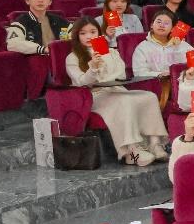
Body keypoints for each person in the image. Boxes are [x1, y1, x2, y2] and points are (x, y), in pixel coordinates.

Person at [66, 17, 167, 165]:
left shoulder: (110, 52)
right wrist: (93, 68)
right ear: (77, 35)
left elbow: (121, 75)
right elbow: (81, 82)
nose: (89, 36)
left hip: (116, 89)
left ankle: (154, 143)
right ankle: (132, 151)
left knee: (149, 96)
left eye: (93, 32)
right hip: (93, 96)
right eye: (83, 33)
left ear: (99, 33)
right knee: (125, 101)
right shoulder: (72, 57)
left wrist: (107, 59)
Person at [5, 0, 70, 55]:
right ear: (27, 1)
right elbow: (13, 44)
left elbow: (75, 37)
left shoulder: (60, 21)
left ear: (50, 2)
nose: (40, 0)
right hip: (36, 59)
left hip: (60, 58)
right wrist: (42, 49)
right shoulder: (20, 22)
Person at [132, 9, 187, 80]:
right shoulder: (142, 47)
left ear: (172, 29)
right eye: (159, 22)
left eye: (166, 23)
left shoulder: (183, 44)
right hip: (154, 83)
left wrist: (178, 47)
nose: (162, 25)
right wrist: (159, 75)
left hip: (180, 81)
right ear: (152, 25)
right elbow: (139, 73)